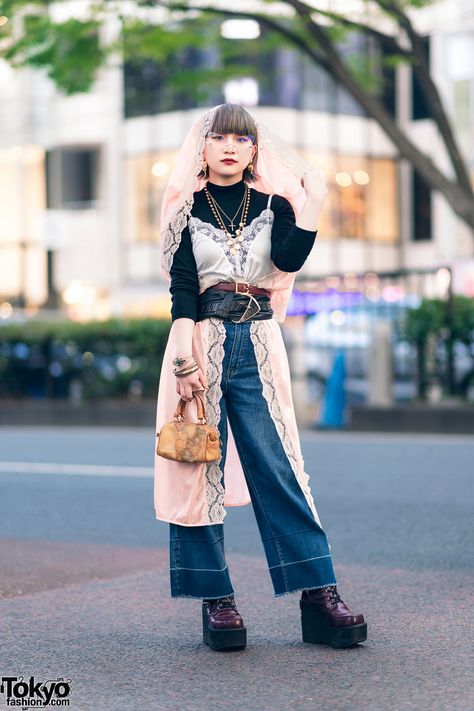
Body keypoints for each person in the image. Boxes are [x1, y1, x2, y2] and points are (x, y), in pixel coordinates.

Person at [154, 103, 367, 652]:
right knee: (198, 466)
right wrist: (184, 362)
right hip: (200, 342)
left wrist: (314, 200)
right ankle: (216, 601)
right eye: (218, 137)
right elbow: (181, 292)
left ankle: (318, 594)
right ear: (201, 148)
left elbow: (290, 261)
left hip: (260, 343)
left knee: (281, 466)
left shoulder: (274, 205)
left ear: (254, 150)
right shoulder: (185, 207)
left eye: (241, 139)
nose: (229, 146)